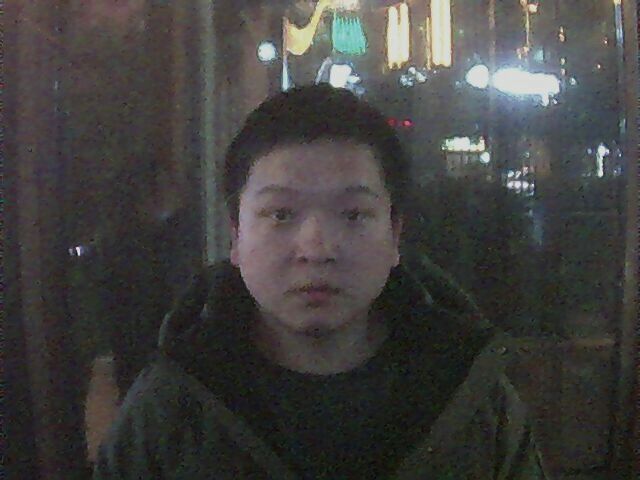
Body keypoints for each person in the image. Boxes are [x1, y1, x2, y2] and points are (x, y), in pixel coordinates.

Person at [94, 85, 549, 479]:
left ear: (395, 235)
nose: (316, 249)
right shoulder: (170, 408)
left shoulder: (472, 400)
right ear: (236, 235)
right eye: (281, 214)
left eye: (353, 215)